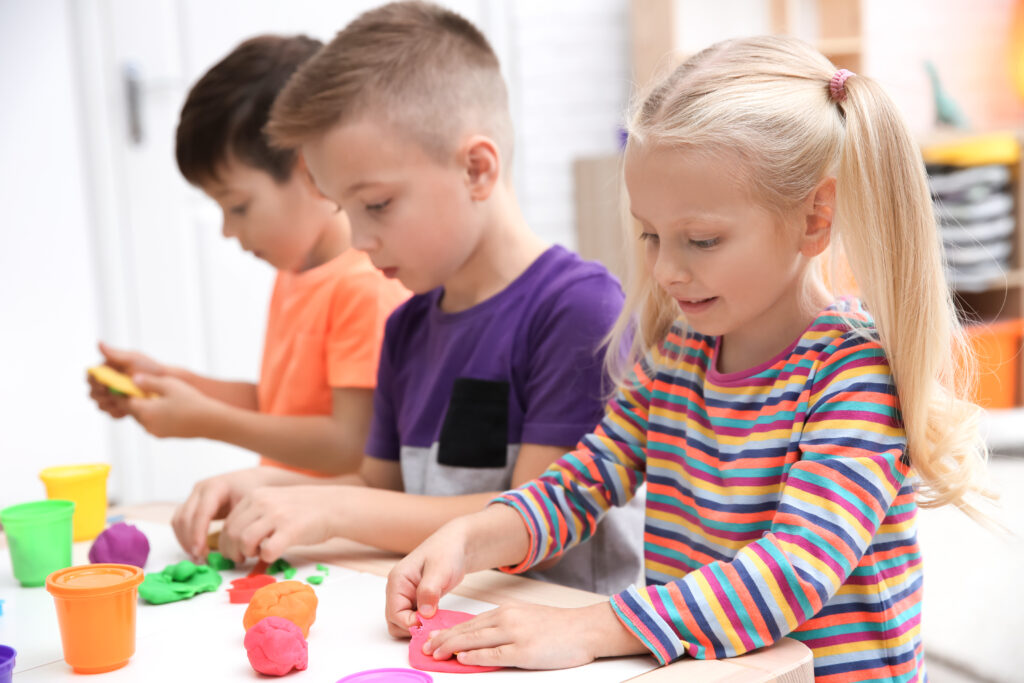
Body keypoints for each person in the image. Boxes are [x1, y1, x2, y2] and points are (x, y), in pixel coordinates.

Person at [384, 35, 994, 681]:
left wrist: (591, 627)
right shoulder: (678, 357)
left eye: (701, 239)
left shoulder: (853, 375)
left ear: (815, 217)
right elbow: (581, 480)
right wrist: (470, 537)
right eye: (650, 234)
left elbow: (793, 571)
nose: (667, 269)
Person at [171, 1, 644, 596]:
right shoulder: (406, 328)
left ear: (477, 169)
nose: (361, 239)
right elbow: (381, 490)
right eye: (346, 209)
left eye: (378, 205)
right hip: (449, 632)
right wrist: (270, 489)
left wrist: (329, 509)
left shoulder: (577, 310)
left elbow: (527, 522)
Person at [88, 35, 409, 476]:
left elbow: (352, 446)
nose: (226, 230)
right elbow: (279, 408)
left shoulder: (365, 287)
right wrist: (166, 382)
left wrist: (205, 422)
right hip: (289, 522)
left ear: (311, 168)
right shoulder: (297, 274)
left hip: (337, 536)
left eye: (238, 206)